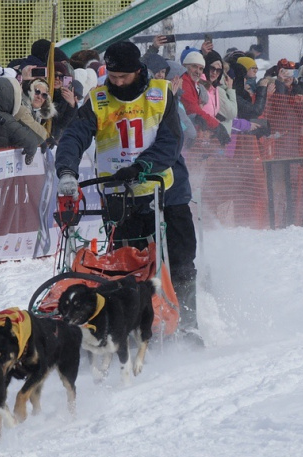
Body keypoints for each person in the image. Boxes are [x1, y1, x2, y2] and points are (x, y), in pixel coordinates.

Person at [55, 41, 200, 342]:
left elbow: (171, 142)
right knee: (127, 262)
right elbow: (74, 136)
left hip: (166, 188)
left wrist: (141, 166)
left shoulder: (160, 94)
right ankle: (137, 324)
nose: (117, 82)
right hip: (121, 196)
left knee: (181, 256)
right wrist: (67, 171)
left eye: (124, 77)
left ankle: (188, 321)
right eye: (113, 76)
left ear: (138, 70)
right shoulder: (98, 100)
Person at [180, 51, 230, 145]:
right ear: (185, 66)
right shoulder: (184, 83)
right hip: (183, 133)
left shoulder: (196, 85)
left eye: (201, 68)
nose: (198, 71)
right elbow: (193, 110)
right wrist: (216, 126)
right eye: (194, 66)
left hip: (193, 133)